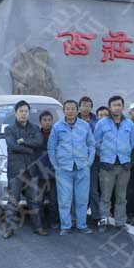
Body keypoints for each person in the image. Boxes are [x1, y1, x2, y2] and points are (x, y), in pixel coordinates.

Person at [48, 100, 96, 235]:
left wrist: (89, 162)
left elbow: (91, 145)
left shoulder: (85, 126)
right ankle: (65, 226)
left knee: (82, 199)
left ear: (77, 110)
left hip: (82, 167)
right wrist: (56, 165)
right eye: (67, 109)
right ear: (64, 111)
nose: (70, 111)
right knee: (64, 199)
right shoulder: (57, 127)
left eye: (73, 108)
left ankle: (82, 225)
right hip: (63, 169)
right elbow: (51, 148)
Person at [3, 100, 46, 239]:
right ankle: (9, 229)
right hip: (16, 171)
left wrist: (24, 141)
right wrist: (29, 149)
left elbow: (39, 142)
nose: (23, 114)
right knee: (13, 201)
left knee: (34, 200)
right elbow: (12, 145)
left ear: (29, 113)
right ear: (16, 113)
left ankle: (38, 228)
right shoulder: (9, 129)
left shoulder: (35, 128)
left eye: (26, 111)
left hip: (31, 170)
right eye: (21, 111)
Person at [94, 95, 134, 232]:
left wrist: (124, 152)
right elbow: (95, 142)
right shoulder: (102, 123)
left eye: (119, 105)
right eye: (114, 105)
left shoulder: (129, 124)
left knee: (121, 196)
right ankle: (103, 220)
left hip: (124, 165)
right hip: (107, 166)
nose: (117, 107)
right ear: (109, 107)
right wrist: (105, 154)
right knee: (105, 196)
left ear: (123, 107)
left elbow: (132, 142)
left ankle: (120, 222)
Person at [35, 110, 60, 230]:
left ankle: (54, 222)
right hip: (39, 173)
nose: (47, 122)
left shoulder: (56, 134)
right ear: (40, 122)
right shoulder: (36, 135)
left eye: (49, 120)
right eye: (44, 120)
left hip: (53, 173)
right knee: (39, 200)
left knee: (53, 200)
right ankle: (41, 223)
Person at [78, 96, 100, 226]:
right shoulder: (73, 120)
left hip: (94, 160)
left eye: (88, 105)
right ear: (79, 107)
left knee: (93, 189)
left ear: (91, 107)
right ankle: (78, 216)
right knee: (78, 189)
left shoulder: (97, 122)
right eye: (83, 105)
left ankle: (96, 216)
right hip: (77, 160)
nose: (86, 108)